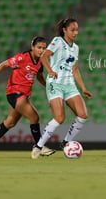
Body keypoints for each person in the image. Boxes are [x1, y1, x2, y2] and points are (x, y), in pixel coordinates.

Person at [0, 36, 55, 159]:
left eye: (44, 48)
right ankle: (38, 147)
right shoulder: (22, 58)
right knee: (35, 117)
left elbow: (40, 77)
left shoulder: (40, 62)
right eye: (39, 47)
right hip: (14, 92)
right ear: (32, 47)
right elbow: (3, 64)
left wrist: (49, 87)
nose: (41, 50)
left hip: (24, 95)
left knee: (10, 122)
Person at [31, 17, 92, 159]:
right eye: (72, 30)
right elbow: (44, 57)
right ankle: (38, 146)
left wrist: (83, 88)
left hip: (69, 85)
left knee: (83, 115)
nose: (75, 32)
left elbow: (75, 70)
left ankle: (66, 142)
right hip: (55, 83)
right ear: (64, 30)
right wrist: (50, 71)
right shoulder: (57, 41)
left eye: (76, 30)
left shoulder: (76, 48)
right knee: (59, 118)